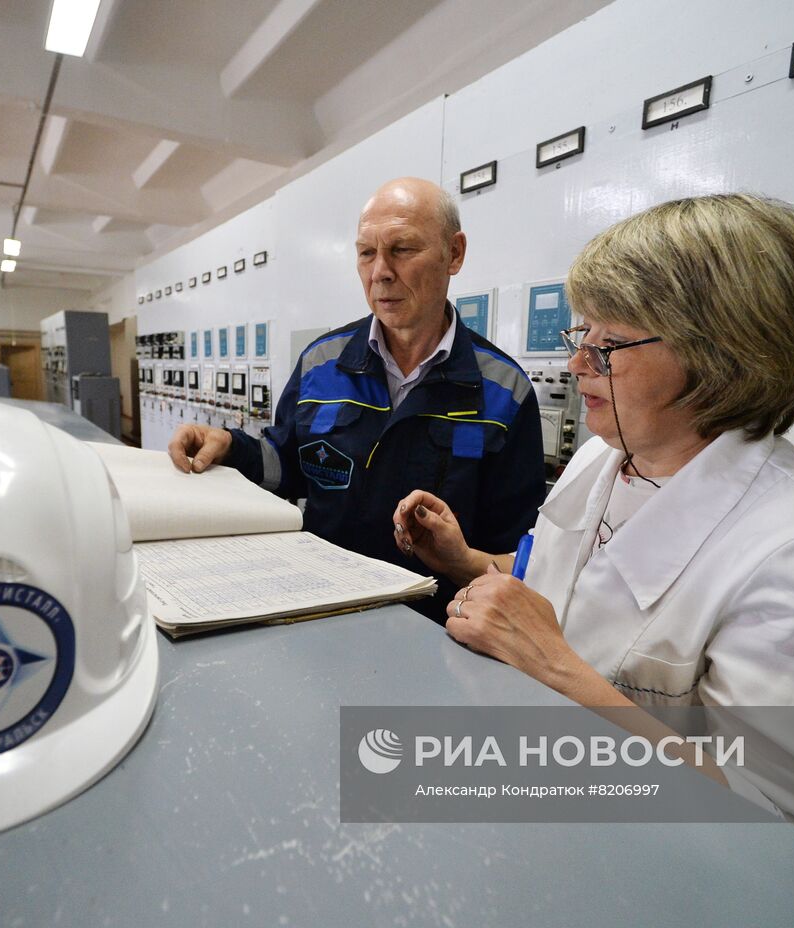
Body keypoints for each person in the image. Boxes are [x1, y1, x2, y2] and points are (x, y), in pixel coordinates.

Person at [392, 193, 794, 868]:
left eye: (609, 345)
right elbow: (567, 584)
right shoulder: (602, 459)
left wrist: (555, 669)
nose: (578, 364)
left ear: (724, 357)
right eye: (582, 335)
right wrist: (467, 560)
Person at [168, 177, 544, 621]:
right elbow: (283, 463)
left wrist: (463, 567)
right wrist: (229, 446)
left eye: (402, 249)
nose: (380, 271)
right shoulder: (321, 364)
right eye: (366, 252)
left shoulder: (504, 389)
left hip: (435, 629)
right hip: (319, 612)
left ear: (454, 254)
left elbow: (518, 556)